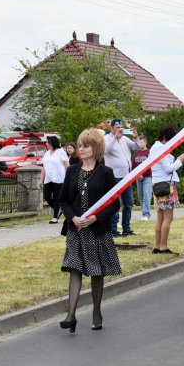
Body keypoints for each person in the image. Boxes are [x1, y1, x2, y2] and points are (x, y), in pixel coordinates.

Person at [58, 128, 120, 333]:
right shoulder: (72, 171)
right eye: (80, 145)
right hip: (76, 231)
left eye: (85, 145)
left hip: (97, 231)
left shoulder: (106, 173)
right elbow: (64, 201)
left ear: (96, 148)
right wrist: (72, 217)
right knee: (74, 269)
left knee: (95, 272)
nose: (81, 149)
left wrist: (95, 218)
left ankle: (96, 312)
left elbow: (114, 204)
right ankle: (71, 315)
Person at [150, 126, 184, 255]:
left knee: (160, 218)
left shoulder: (155, 148)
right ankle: (163, 247)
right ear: (165, 138)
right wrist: (180, 160)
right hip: (166, 186)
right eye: (172, 140)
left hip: (157, 185)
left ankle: (157, 246)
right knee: (168, 218)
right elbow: (168, 168)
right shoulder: (161, 149)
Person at [104, 118, 139, 237]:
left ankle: (126, 228)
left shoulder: (125, 139)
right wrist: (115, 137)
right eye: (117, 128)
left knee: (129, 203)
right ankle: (113, 230)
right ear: (111, 128)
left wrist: (135, 137)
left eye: (121, 128)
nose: (120, 130)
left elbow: (137, 147)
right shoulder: (107, 138)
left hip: (126, 176)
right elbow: (106, 150)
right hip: (114, 177)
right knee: (115, 204)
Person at [41, 136, 69, 224]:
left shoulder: (61, 152)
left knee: (57, 198)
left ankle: (55, 217)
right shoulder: (47, 153)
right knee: (47, 197)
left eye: (47, 142)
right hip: (48, 179)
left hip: (59, 179)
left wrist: (69, 178)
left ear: (52, 143)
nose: (46, 144)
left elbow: (67, 165)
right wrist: (41, 180)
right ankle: (61, 209)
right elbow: (44, 167)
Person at [131, 135, 153, 221]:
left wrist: (143, 175)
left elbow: (150, 165)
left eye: (141, 142)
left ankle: (146, 215)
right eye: (138, 142)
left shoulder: (149, 152)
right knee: (141, 197)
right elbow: (133, 166)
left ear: (145, 142)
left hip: (147, 177)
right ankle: (143, 213)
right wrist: (137, 175)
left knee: (146, 196)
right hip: (138, 178)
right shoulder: (136, 153)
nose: (139, 144)